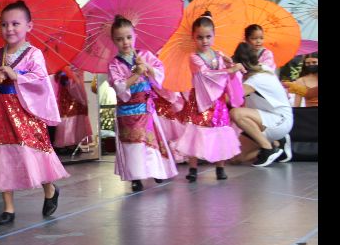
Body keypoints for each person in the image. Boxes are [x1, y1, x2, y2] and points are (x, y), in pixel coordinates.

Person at [0, 1, 69, 225]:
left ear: (29, 26)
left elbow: (41, 81)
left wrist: (16, 75)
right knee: (4, 155)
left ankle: (49, 189)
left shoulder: (33, 54)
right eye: (4, 24)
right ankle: (8, 207)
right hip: (3, 113)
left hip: (27, 112)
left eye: (15, 23)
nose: (9, 29)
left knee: (33, 153)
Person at [107, 15, 178, 192]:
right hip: (126, 110)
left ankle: (156, 170)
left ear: (135, 35)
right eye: (120, 39)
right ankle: (135, 177)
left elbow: (159, 73)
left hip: (146, 108)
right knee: (132, 145)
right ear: (114, 41)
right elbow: (119, 87)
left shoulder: (145, 55)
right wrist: (136, 74)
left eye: (129, 37)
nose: (125, 42)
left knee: (149, 142)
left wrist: (147, 67)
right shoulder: (114, 64)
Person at [174, 13, 245, 182]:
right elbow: (207, 75)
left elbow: (223, 76)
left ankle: (220, 167)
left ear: (214, 36)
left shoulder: (219, 55)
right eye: (200, 37)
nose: (204, 41)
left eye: (208, 36)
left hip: (218, 102)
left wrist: (230, 66)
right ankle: (193, 167)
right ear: (193, 37)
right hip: (200, 100)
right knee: (196, 133)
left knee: (220, 132)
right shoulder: (193, 57)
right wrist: (229, 70)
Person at [229, 42, 291, 166]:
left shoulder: (256, 80)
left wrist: (228, 72)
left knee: (236, 113)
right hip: (262, 120)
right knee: (235, 159)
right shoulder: (262, 69)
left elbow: (231, 98)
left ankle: (267, 148)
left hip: (279, 120)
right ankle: (277, 145)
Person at [52, 67, 93, 153]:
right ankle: (65, 144)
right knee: (67, 119)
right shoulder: (61, 66)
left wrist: (70, 76)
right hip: (64, 97)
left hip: (76, 98)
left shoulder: (79, 66)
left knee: (75, 120)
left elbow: (78, 82)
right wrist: (62, 76)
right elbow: (56, 80)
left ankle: (73, 143)